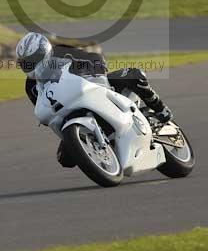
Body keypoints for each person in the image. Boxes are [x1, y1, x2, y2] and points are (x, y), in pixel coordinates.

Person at [17, 32, 173, 166]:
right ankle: (99, 148)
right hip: (69, 112)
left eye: (34, 58)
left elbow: (94, 57)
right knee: (64, 158)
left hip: (96, 87)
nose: (31, 65)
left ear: (45, 51)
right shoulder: (30, 86)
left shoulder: (63, 53)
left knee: (134, 75)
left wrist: (94, 73)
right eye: (25, 63)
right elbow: (42, 107)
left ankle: (160, 109)